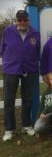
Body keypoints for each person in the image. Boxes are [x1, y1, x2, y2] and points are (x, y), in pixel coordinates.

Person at [0, 10, 40, 141]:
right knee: (9, 101)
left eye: (25, 20)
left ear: (28, 20)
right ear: (16, 20)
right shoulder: (8, 31)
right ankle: (9, 129)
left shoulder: (35, 33)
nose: (22, 22)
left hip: (29, 70)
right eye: (20, 19)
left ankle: (27, 125)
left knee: (27, 99)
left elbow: (37, 51)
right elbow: (2, 49)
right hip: (11, 70)